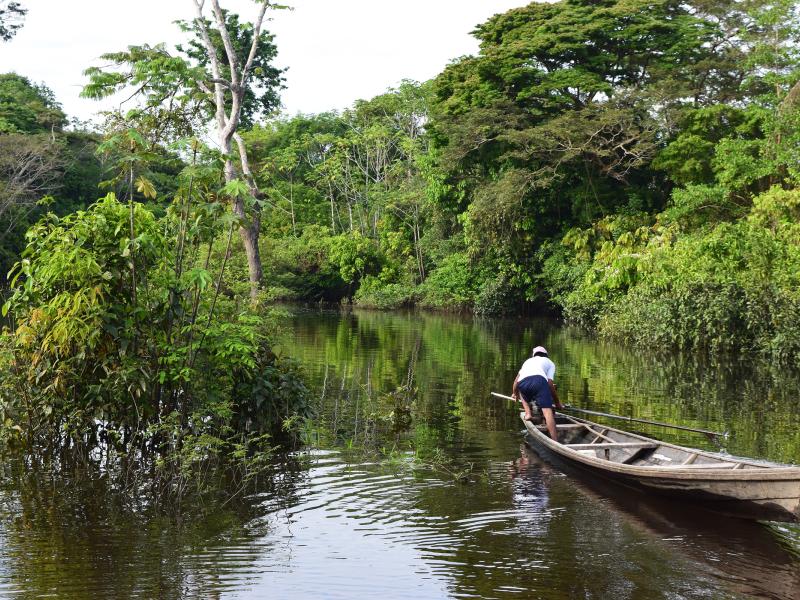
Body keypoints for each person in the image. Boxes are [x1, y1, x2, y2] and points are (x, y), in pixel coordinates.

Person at [511, 346, 563, 442]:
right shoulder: (550, 363)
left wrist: (514, 393)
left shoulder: (527, 361)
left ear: (534, 355)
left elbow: (516, 382)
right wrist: (557, 403)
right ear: (546, 355)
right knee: (548, 413)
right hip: (539, 381)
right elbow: (550, 384)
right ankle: (555, 441)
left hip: (522, 382)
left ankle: (528, 413)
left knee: (521, 392)